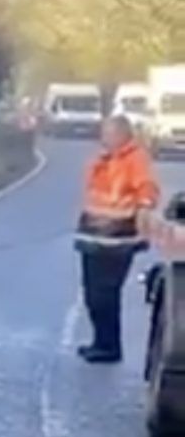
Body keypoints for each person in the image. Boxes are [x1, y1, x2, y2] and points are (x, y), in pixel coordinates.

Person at [75, 114, 160, 363]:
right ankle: (100, 342)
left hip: (118, 240)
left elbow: (147, 188)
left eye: (108, 133)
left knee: (105, 295)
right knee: (92, 294)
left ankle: (110, 347)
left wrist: (144, 207)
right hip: (93, 237)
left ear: (122, 135)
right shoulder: (103, 159)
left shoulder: (135, 159)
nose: (103, 138)